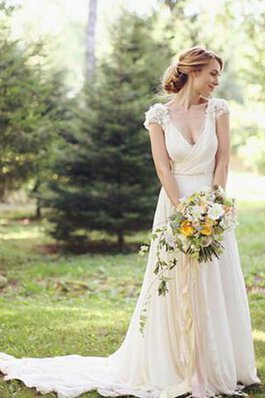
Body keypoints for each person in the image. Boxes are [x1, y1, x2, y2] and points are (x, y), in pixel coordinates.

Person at [0, 46, 261, 398]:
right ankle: (177, 364)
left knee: (214, 280)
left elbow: (223, 162)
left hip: (213, 208)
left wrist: (212, 210)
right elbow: (163, 167)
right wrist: (183, 210)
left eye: (218, 74)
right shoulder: (159, 116)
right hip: (175, 205)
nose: (217, 81)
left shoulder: (218, 111)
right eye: (212, 73)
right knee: (174, 281)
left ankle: (217, 364)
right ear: (194, 72)